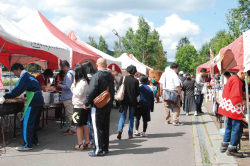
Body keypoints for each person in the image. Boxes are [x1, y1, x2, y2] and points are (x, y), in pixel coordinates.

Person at [0, 63, 44, 151]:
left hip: (33, 100)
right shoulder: (30, 76)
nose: (14, 74)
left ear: (18, 70)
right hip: (39, 99)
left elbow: (17, 90)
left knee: (26, 122)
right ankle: (34, 140)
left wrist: (5, 96)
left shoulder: (24, 77)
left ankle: (28, 144)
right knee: (34, 121)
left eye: (14, 72)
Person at [83, 58, 114, 157]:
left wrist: (86, 102)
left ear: (97, 64)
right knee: (105, 126)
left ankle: (98, 150)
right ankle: (105, 148)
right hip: (107, 104)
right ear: (106, 64)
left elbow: (92, 91)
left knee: (96, 128)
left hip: (97, 105)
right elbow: (112, 91)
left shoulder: (96, 76)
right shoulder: (110, 76)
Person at [219, 70, 249, 158]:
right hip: (234, 108)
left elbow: (237, 93)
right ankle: (232, 148)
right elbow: (235, 98)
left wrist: (245, 95)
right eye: (246, 76)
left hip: (230, 108)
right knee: (237, 128)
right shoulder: (236, 81)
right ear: (242, 73)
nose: (246, 78)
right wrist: (244, 101)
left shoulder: (233, 78)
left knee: (229, 126)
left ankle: (225, 144)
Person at [117, 65, 140, 140]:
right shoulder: (136, 81)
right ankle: (130, 134)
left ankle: (120, 129)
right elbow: (137, 93)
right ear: (134, 72)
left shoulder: (123, 78)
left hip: (124, 100)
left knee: (123, 116)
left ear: (127, 71)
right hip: (133, 101)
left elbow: (118, 88)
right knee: (131, 118)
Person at [71, 65, 91, 150]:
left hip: (79, 106)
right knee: (84, 124)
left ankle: (80, 144)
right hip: (84, 105)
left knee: (78, 125)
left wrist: (72, 87)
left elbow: (79, 93)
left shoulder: (81, 82)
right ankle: (87, 142)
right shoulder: (85, 81)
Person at [57, 60, 76, 135]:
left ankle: (73, 129)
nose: (62, 70)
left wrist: (59, 85)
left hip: (68, 97)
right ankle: (71, 128)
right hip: (69, 96)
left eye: (62, 68)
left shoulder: (69, 74)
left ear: (65, 67)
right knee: (70, 113)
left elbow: (67, 86)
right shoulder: (71, 73)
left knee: (70, 114)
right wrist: (62, 82)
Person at [81, 61, 96, 144]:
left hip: (87, 102)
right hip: (94, 102)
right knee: (92, 121)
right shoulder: (94, 76)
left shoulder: (86, 78)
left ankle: (89, 139)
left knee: (88, 122)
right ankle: (93, 137)